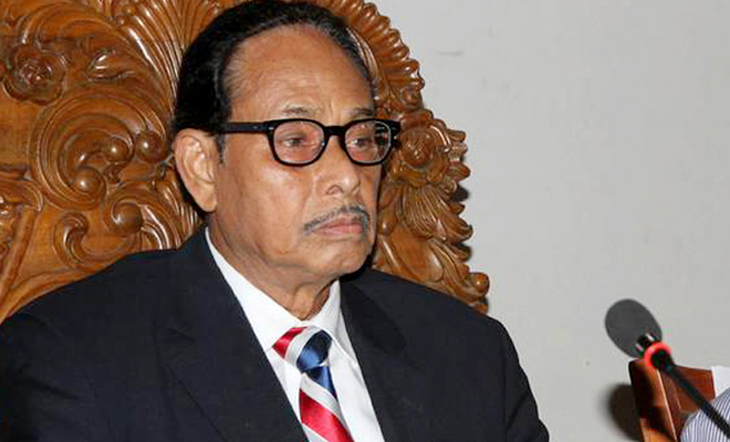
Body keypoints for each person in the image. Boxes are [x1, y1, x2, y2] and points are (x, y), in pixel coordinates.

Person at [0, 1, 549, 441]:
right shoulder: (72, 362)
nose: (346, 175)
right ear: (202, 167)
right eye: (296, 139)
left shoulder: (470, 355)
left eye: (361, 137)